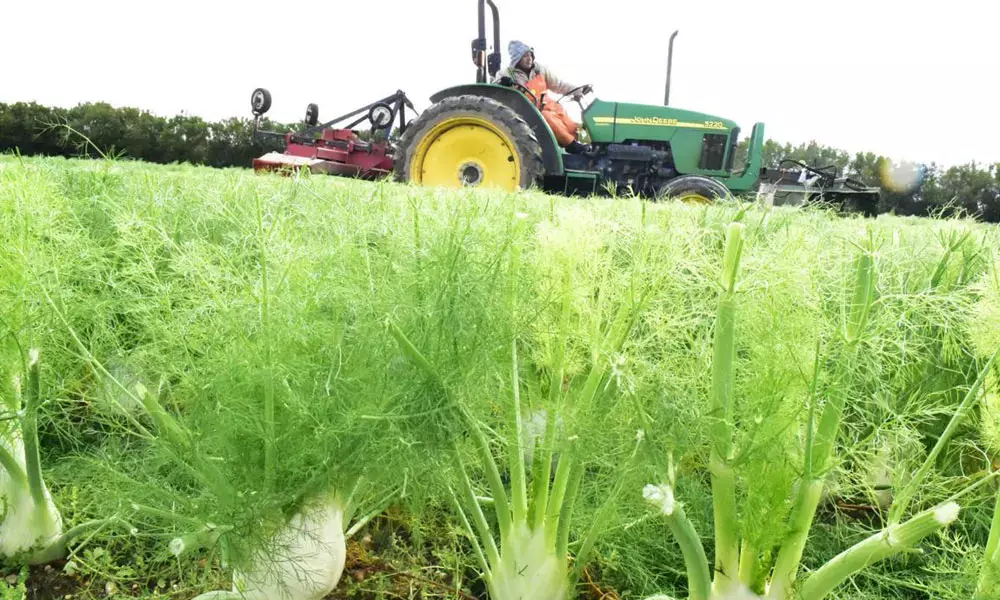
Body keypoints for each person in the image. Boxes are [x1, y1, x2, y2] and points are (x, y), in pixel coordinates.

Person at [494, 41, 592, 154]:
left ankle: (592, 143)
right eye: (525, 56)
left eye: (530, 55)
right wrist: (502, 84)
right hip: (531, 113)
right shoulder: (506, 73)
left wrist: (579, 90)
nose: (529, 58)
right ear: (517, 58)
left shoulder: (539, 69)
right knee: (548, 119)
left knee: (573, 126)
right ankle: (571, 145)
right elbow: (494, 89)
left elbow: (558, 85)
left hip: (551, 107)